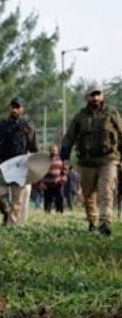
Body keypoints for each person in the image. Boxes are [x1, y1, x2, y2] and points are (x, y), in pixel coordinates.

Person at [61, 83, 122, 236]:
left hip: (108, 160)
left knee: (106, 191)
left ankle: (105, 222)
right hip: (86, 162)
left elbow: (121, 133)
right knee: (88, 195)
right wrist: (65, 157)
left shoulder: (111, 113)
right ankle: (92, 222)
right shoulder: (80, 116)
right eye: (92, 95)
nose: (95, 98)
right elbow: (69, 137)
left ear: (103, 96)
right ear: (87, 97)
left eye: (98, 94)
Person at [0, 96, 37, 226]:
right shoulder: (3, 125)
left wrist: (33, 163)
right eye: (13, 107)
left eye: (17, 107)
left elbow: (33, 147)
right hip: (3, 164)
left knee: (18, 198)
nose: (15, 109)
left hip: (20, 165)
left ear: (22, 109)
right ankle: (6, 212)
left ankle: (11, 224)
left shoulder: (28, 126)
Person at [42, 144, 67, 214]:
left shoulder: (61, 160)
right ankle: (47, 212)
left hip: (58, 183)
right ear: (49, 151)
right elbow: (41, 172)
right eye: (52, 150)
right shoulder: (45, 161)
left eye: (55, 150)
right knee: (48, 199)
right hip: (47, 183)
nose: (53, 152)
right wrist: (41, 183)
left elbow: (65, 172)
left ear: (57, 151)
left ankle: (60, 212)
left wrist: (62, 180)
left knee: (60, 198)